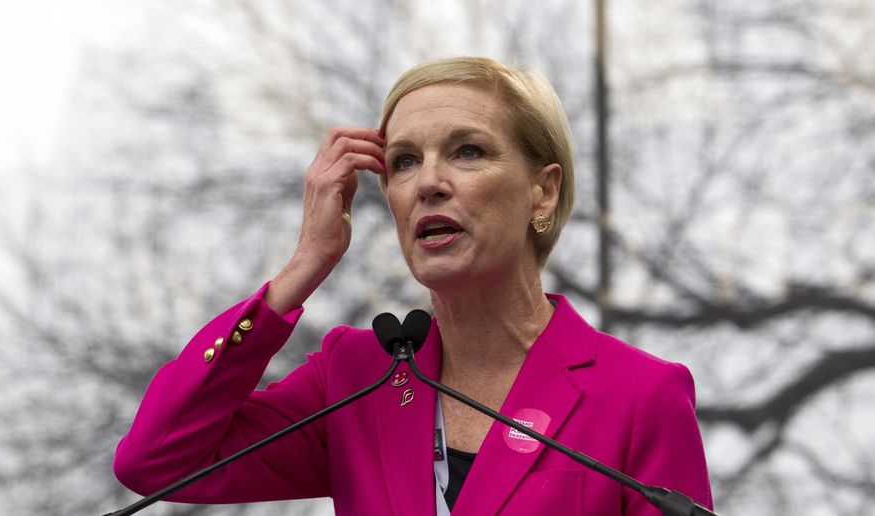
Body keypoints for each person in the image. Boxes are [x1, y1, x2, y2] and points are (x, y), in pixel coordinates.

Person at [113, 56, 713, 515]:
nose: (428, 182)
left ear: (544, 190)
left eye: (468, 152)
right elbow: (157, 461)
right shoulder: (356, 376)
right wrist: (302, 270)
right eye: (403, 162)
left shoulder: (641, 396)